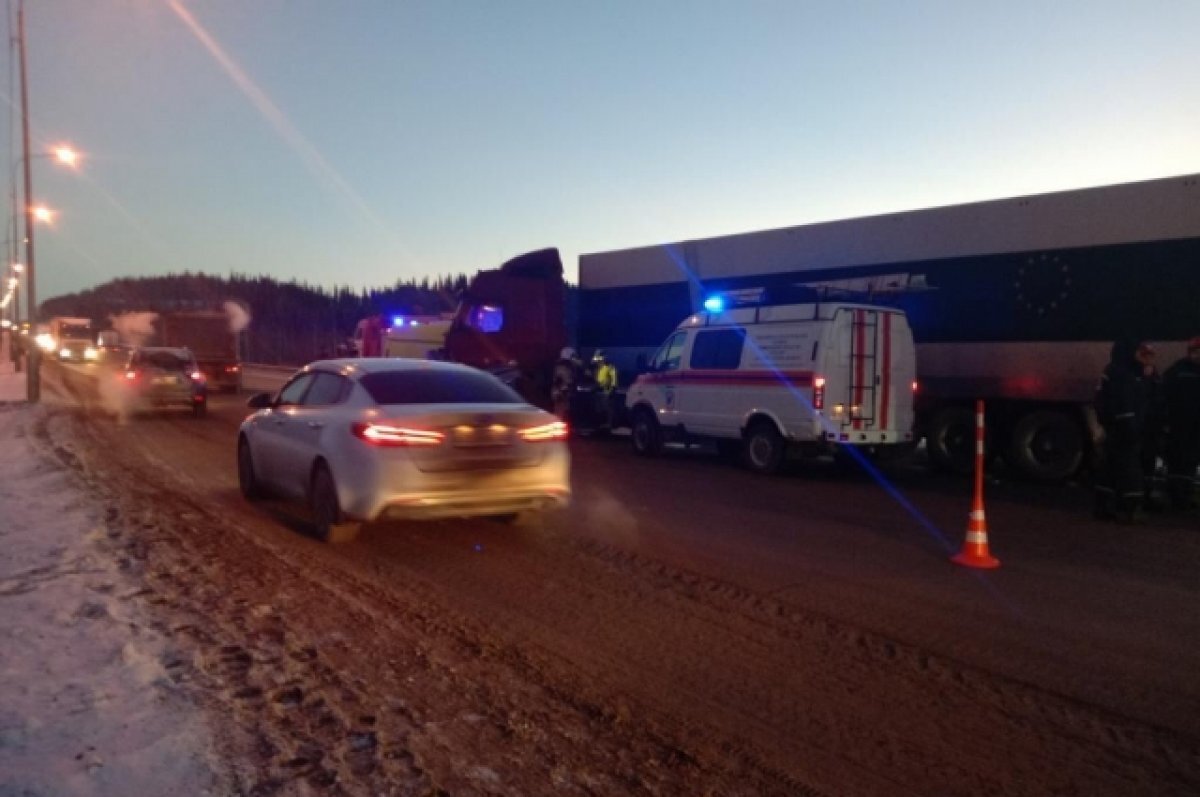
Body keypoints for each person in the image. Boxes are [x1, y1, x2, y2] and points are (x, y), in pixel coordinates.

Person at [1093, 340, 1150, 523]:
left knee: (1109, 465)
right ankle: (1132, 508)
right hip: (1125, 427)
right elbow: (1126, 402)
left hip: (1115, 426)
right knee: (1130, 467)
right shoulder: (1123, 374)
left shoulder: (1114, 370)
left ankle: (1104, 506)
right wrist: (1131, 426)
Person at [1163, 337, 1200, 511]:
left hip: (1194, 425)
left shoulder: (1179, 370)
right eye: (1196, 351)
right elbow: (1164, 394)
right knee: (1177, 460)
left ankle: (1185, 495)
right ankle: (1176, 496)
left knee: (1190, 461)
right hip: (1179, 423)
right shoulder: (1177, 370)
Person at [1138, 344, 1167, 510]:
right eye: (1145, 356)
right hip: (1140, 426)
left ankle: (1146, 494)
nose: (1148, 359)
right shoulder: (1135, 376)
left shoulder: (1155, 376)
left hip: (1151, 426)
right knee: (1139, 461)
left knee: (1149, 462)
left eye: (1150, 356)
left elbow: (1160, 399)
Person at [551, 347, 583, 420]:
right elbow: (561, 380)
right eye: (572, 356)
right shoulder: (562, 367)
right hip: (561, 393)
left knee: (565, 412)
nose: (574, 358)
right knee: (560, 412)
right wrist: (562, 391)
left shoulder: (569, 367)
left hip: (564, 393)